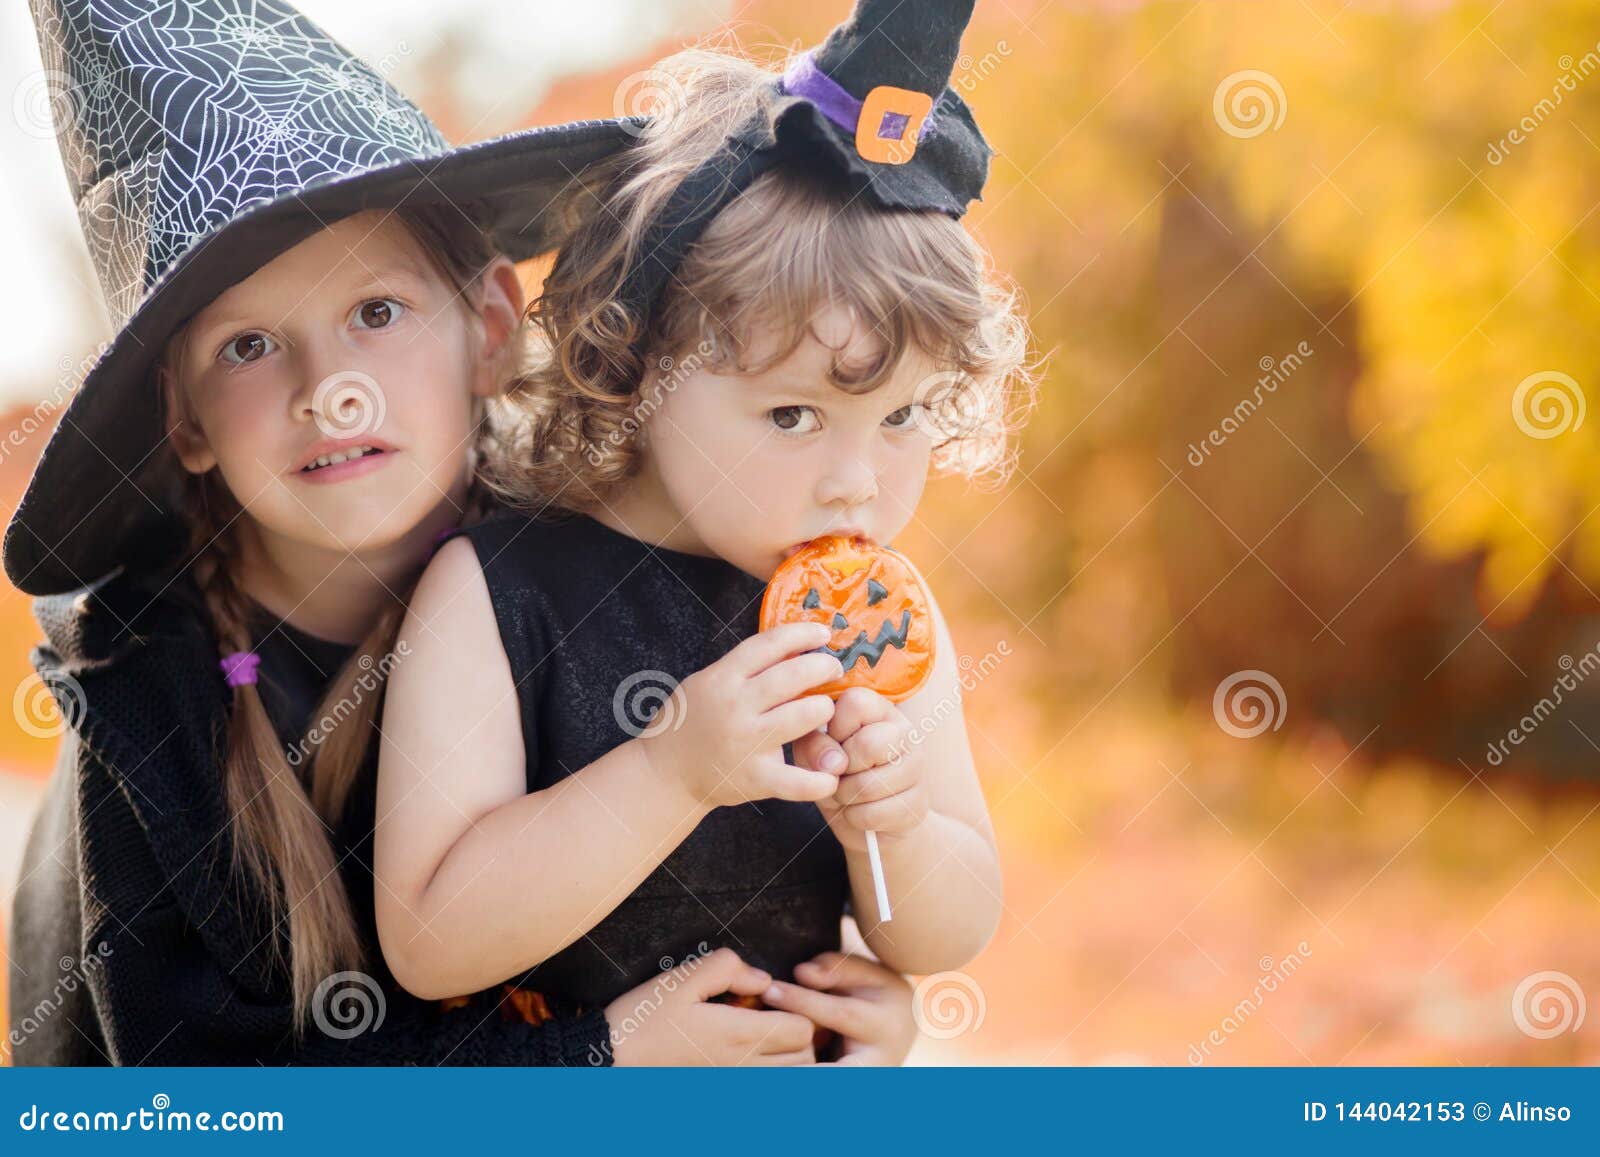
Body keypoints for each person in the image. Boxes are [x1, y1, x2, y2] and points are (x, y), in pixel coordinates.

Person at [6, 0, 912, 1067]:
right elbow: (207, 1092)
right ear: (185, 421)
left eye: (377, 313)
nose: (330, 390)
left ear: (486, 330)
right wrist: (591, 1059)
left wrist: (827, 1009)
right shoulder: (151, 697)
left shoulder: (587, 587)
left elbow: (711, 869)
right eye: (249, 343)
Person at [374, 0, 1033, 1035]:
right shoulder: (499, 591)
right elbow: (426, 940)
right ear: (639, 366)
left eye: (901, 413)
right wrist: (672, 768)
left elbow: (943, 934)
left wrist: (893, 826)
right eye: (792, 413)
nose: (856, 483)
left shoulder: (874, 627)